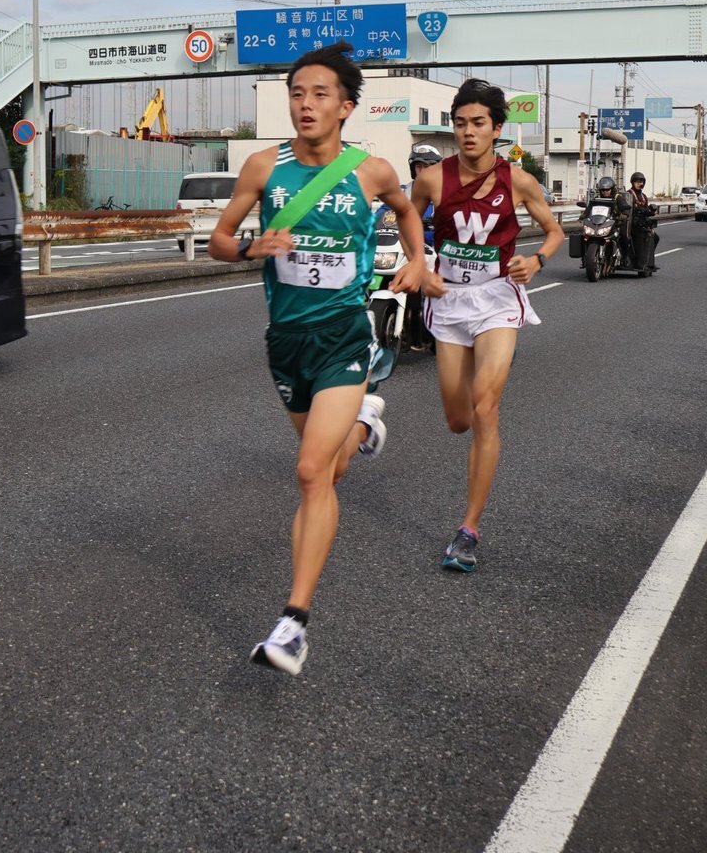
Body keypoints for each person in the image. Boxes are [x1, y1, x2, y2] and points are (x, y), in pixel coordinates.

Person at [208, 41, 427, 674]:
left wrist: (415, 260)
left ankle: (293, 623)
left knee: (309, 472)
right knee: (330, 474)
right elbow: (220, 241)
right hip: (287, 341)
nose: (306, 104)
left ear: (346, 107)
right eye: (297, 94)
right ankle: (365, 425)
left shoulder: (372, 171)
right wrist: (254, 248)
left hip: (344, 333)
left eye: (320, 94)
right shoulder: (261, 166)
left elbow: (407, 212)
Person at [411, 78, 564, 572]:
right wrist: (421, 264)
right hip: (451, 301)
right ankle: (482, 363)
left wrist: (536, 260)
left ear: (497, 128)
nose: (468, 132)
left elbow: (555, 229)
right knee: (458, 420)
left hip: (499, 297)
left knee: (485, 406)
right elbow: (409, 223)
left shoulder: (518, 180)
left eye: (478, 123)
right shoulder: (432, 179)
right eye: (460, 123)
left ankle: (468, 530)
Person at [626, 171, 659, 271]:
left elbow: (645, 212)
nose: (639, 184)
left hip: (642, 224)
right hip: (631, 224)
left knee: (655, 237)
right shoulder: (628, 195)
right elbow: (628, 209)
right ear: (632, 182)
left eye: (641, 182)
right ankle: (641, 263)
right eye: (637, 181)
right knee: (641, 237)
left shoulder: (644, 196)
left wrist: (651, 211)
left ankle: (648, 263)